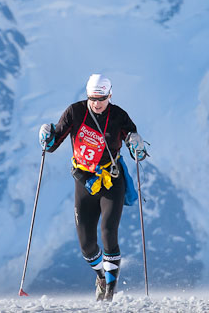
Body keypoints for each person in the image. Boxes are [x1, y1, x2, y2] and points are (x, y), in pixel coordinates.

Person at [38, 74, 148, 301]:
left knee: (109, 232)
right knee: (87, 246)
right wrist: (46, 138)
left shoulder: (119, 116)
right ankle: (100, 276)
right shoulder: (75, 112)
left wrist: (138, 148)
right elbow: (53, 144)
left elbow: (134, 146)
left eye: (102, 98)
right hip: (84, 180)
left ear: (110, 95)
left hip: (111, 179)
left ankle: (109, 290)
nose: (97, 103)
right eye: (93, 98)